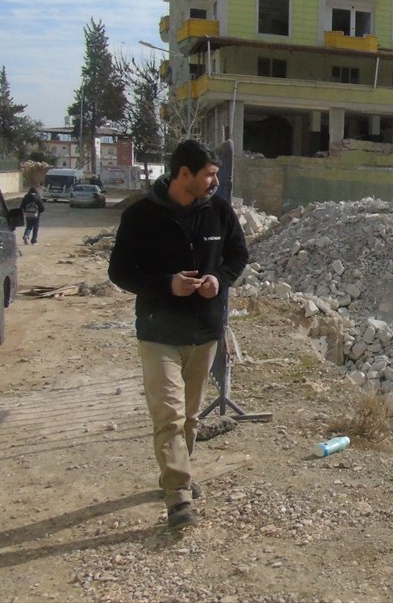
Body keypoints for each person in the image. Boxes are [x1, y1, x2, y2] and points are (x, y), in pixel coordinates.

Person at [108, 140, 248, 530]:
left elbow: (238, 255)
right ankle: (179, 494)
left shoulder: (219, 212)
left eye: (216, 174)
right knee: (168, 415)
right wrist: (166, 284)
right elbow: (119, 272)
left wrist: (218, 281)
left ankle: (177, 471)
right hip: (158, 332)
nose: (215, 181)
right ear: (183, 174)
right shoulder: (140, 216)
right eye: (209, 174)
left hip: (203, 331)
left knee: (188, 416)